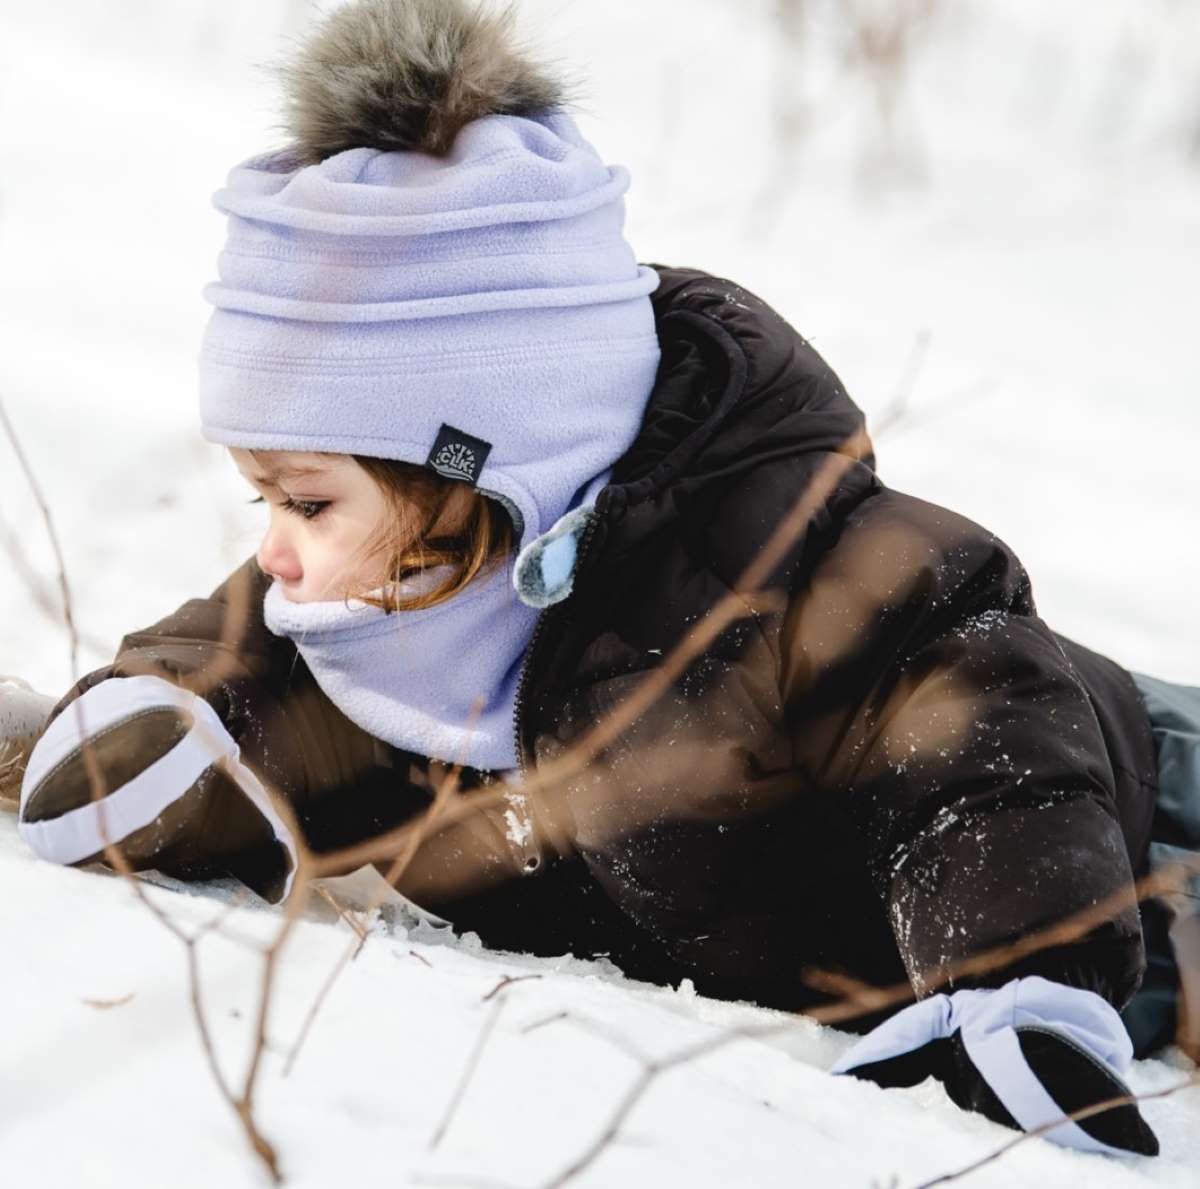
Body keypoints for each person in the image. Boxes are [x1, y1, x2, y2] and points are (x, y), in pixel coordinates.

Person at [7, 0, 1197, 1159]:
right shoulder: (385, 618)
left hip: (1135, 849)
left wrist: (1016, 992)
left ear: (484, 478)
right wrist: (115, 735)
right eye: (263, 500)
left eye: (307, 502)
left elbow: (988, 741)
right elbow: (226, 693)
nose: (274, 550)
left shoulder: (789, 583)